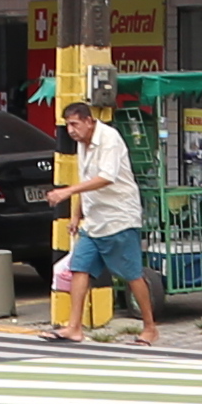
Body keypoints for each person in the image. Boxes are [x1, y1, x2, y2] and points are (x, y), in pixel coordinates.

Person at [44, 90, 160, 346]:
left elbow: (106, 177)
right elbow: (85, 178)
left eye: (75, 124)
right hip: (94, 221)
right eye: (68, 126)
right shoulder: (82, 144)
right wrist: (76, 214)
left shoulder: (109, 139)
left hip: (119, 217)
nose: (71, 131)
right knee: (79, 268)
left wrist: (67, 192)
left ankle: (150, 327)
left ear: (89, 121)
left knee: (131, 274)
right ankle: (74, 327)